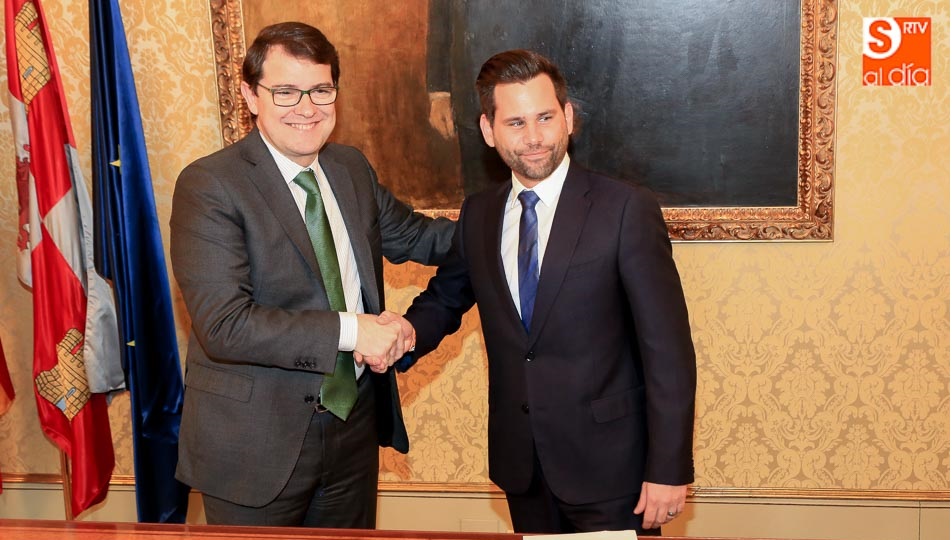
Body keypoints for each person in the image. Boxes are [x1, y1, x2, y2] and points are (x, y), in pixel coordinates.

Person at [394, 49, 697, 534]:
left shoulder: (624, 209)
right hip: (524, 467)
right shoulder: (479, 214)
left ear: (568, 118)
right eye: (515, 122)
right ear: (489, 131)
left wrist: (667, 469)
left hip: (614, 472)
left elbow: (669, 352)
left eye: (545, 118)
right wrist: (399, 335)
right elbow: (446, 300)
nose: (533, 138)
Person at [169, 22, 453, 528]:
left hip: (353, 429)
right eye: (285, 91)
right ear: (250, 96)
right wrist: (354, 329)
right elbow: (225, 325)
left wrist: (519, 209)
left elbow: (423, 238)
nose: (307, 107)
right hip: (255, 445)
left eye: (321, 90)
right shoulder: (210, 186)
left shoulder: (350, 168)